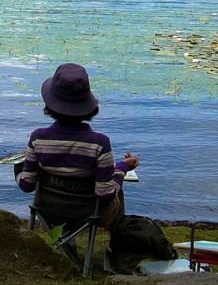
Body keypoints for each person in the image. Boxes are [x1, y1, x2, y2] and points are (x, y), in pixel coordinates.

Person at [16, 62, 138, 232]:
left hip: (48, 212)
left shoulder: (38, 139)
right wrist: (122, 168)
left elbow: (26, 184)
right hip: (87, 215)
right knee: (116, 188)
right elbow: (105, 194)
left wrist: (19, 166)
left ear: (50, 105)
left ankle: (66, 240)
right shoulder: (100, 143)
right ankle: (118, 242)